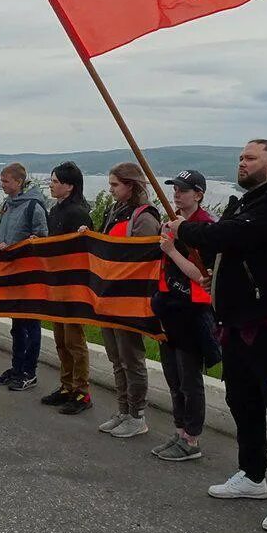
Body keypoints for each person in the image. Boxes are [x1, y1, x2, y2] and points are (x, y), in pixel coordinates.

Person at [168, 140, 267, 533]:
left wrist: (185, 228)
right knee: (243, 403)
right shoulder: (244, 203)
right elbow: (226, 248)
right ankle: (251, 475)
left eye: (250, 159)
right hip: (238, 324)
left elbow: (224, 237)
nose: (242, 163)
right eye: (240, 158)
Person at [87, 162, 161, 436]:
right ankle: (123, 410)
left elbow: (142, 260)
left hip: (129, 300)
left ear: (131, 185)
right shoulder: (115, 212)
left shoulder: (144, 218)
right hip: (109, 297)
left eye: (115, 185)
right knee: (116, 358)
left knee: (131, 358)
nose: (111, 190)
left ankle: (137, 415)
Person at [151, 170, 218, 461]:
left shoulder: (204, 228)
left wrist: (171, 250)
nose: (177, 194)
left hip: (193, 312)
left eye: (183, 190)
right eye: (175, 189)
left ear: (198, 195)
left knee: (190, 380)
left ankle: (192, 439)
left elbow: (203, 276)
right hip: (171, 309)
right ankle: (179, 431)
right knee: (173, 376)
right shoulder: (171, 223)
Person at [0, 163, 49, 390]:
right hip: (11, 274)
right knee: (17, 325)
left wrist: (14, 247)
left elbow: (41, 240)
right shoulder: (8, 205)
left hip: (28, 276)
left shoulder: (34, 205)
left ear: (18, 181)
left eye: (5, 181)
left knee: (30, 325)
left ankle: (29, 371)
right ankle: (16, 367)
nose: (2, 185)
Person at [41, 162, 95, 414]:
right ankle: (66, 385)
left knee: (74, 340)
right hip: (57, 282)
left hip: (74, 285)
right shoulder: (56, 210)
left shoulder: (78, 213)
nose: (51, 185)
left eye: (54, 181)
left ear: (69, 185)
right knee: (61, 339)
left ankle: (81, 391)